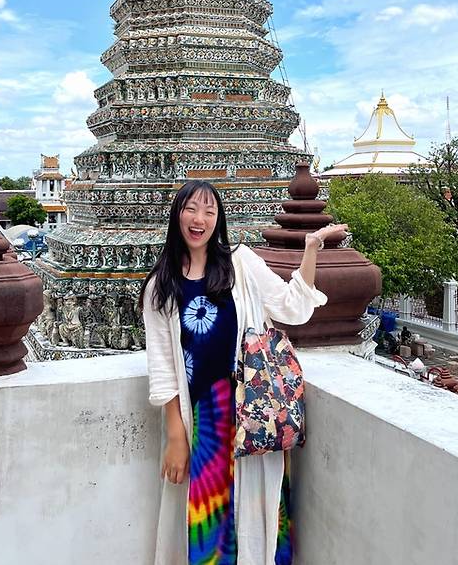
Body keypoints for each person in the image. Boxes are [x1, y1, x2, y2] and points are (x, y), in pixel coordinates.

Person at [140, 179, 348, 565]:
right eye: (190, 209)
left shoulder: (241, 264)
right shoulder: (161, 285)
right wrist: (175, 436)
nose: (199, 219)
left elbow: (292, 308)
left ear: (218, 220)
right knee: (205, 521)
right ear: (178, 216)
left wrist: (311, 248)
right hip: (200, 421)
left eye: (209, 211)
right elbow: (163, 366)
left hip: (250, 415)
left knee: (253, 517)